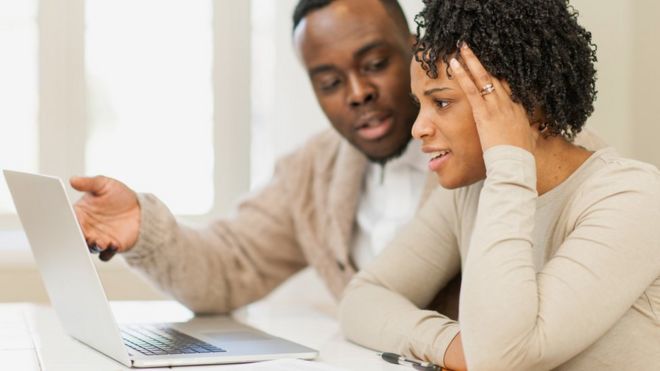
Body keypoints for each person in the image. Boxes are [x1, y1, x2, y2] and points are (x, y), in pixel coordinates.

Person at [70, 0, 462, 314]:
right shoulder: (311, 170)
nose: (357, 92)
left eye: (376, 64)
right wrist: (143, 227)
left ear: (417, 50)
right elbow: (227, 266)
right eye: (329, 82)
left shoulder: (478, 154)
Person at [339, 1, 660, 371]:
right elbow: (362, 299)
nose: (418, 129)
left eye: (442, 102)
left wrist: (510, 160)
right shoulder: (470, 191)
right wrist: (451, 344)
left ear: (528, 103)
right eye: (420, 105)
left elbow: (498, 358)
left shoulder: (633, 199)